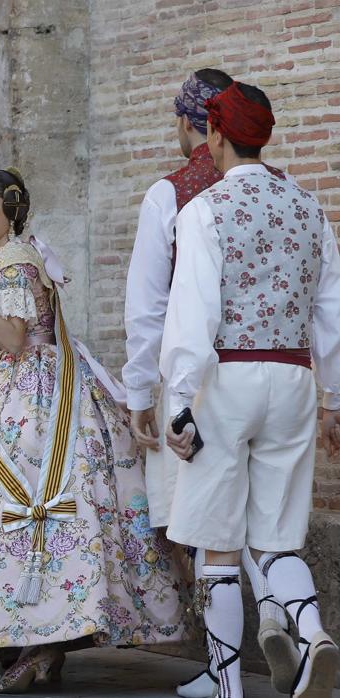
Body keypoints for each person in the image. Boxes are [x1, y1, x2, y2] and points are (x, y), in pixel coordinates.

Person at [0, 169, 185, 693]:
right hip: (31, 386)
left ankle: (37, 639)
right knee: (10, 514)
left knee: (22, 511)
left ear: (11, 210)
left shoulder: (14, 261)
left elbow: (12, 336)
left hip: (33, 393)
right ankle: (38, 644)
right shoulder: (15, 254)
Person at [123, 69, 299, 698]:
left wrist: (143, 394)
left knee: (211, 528)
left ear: (197, 124)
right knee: (267, 524)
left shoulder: (175, 198)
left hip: (199, 377)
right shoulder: (291, 195)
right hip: (287, 374)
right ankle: (288, 622)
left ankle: (227, 674)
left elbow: (151, 311)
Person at [161, 82, 340, 698]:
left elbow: (192, 315)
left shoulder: (204, 210)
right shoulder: (309, 209)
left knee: (217, 542)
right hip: (293, 380)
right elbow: (331, 314)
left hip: (227, 380)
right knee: (277, 537)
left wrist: (180, 401)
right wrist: (335, 400)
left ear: (214, 134)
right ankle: (313, 632)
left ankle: (228, 686)